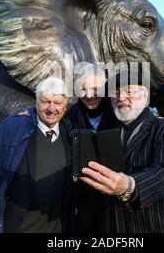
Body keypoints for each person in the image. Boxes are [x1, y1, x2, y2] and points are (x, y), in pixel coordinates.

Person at [78, 69, 164, 232]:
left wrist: (130, 186)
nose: (121, 98)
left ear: (145, 97)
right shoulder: (105, 133)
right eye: (116, 93)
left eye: (129, 91)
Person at [0, 77, 72, 233]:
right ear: (36, 102)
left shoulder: (70, 135)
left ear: (65, 106)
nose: (52, 109)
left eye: (57, 103)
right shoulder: (13, 127)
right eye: (45, 101)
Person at [66, 64, 117, 232]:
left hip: (116, 196)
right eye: (83, 89)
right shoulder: (70, 116)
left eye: (95, 89)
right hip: (83, 196)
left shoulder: (118, 111)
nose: (89, 95)